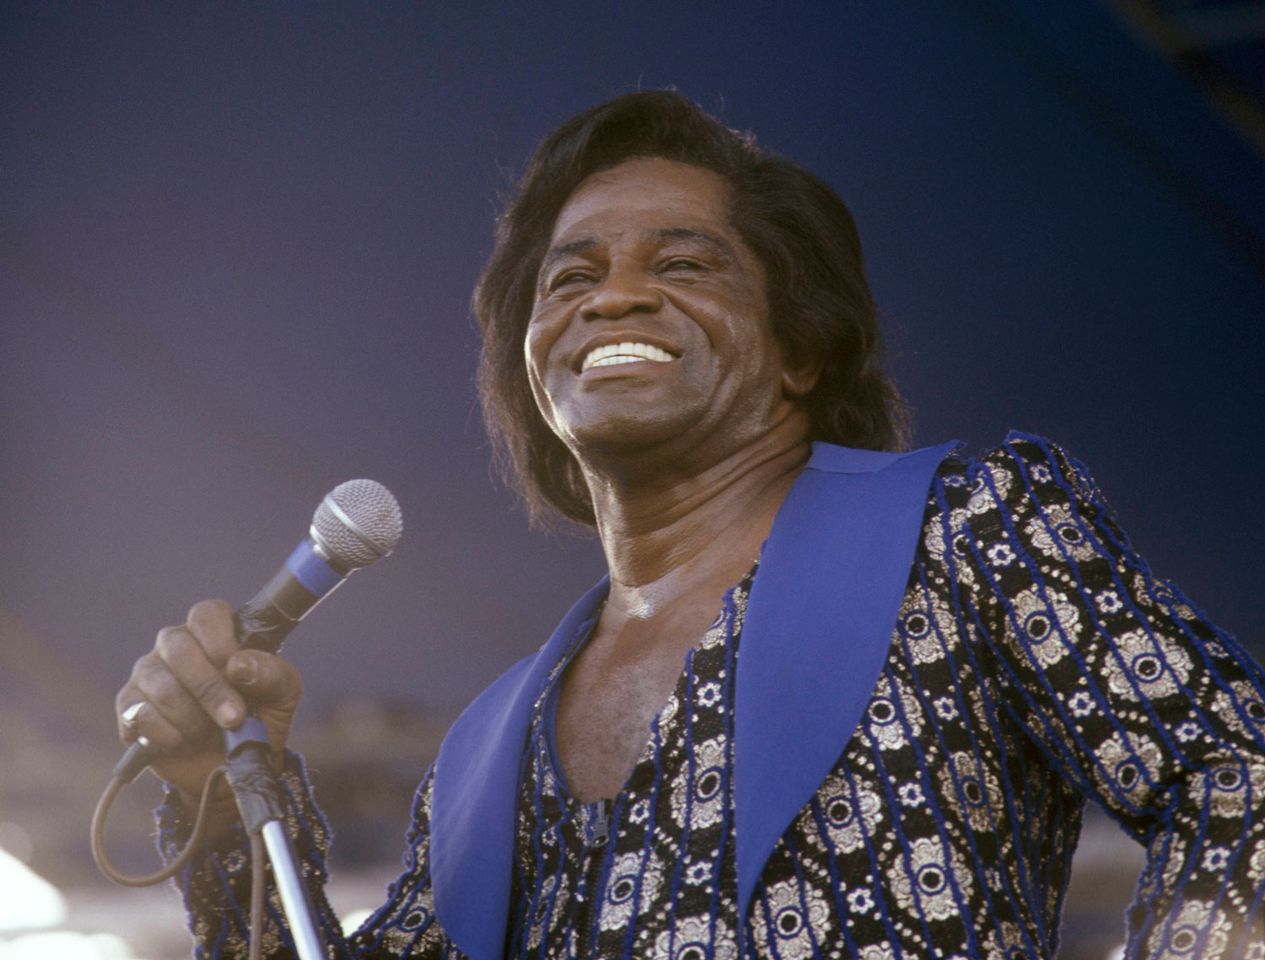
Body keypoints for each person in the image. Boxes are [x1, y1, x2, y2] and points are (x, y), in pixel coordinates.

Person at [115, 91, 1265, 959]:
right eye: (568, 281)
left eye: (683, 261)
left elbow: (1234, 780)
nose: (611, 296)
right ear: (531, 369)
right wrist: (219, 790)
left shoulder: (963, 529)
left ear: (800, 348)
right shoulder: (481, 753)